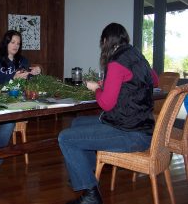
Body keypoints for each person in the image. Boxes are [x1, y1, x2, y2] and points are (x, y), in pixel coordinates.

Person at [58, 23, 155, 204]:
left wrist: (96, 88)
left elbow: (106, 103)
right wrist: (110, 85)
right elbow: (153, 80)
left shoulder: (116, 61)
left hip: (130, 133)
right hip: (142, 127)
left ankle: (90, 196)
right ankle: (84, 175)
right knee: (77, 124)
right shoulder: (137, 56)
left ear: (105, 41)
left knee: (65, 138)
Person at [0, 30, 41, 165]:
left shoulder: (23, 60)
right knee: (9, 121)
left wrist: (35, 72)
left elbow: (28, 82)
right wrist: (13, 77)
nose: (16, 45)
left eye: (18, 43)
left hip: (19, 100)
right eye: (13, 42)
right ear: (6, 43)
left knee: (35, 107)